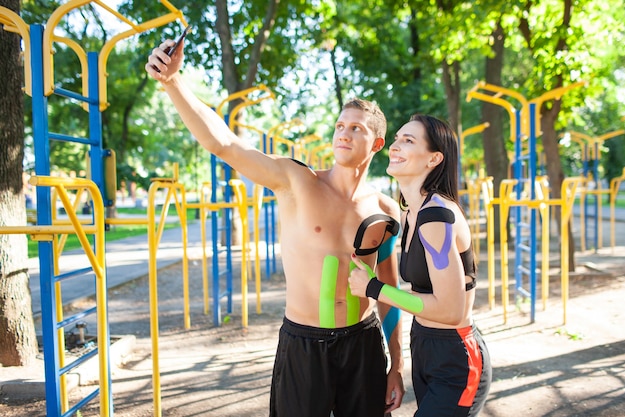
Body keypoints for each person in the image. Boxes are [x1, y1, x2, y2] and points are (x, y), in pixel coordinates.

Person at [145, 37, 405, 416]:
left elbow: (389, 291)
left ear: (377, 143)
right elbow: (225, 145)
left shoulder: (384, 210)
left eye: (357, 129)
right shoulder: (297, 181)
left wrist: (395, 365)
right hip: (304, 341)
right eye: (340, 126)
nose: (344, 134)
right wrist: (173, 82)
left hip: (362, 343)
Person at [349, 114, 492, 416]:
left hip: (455, 356)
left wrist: (374, 288)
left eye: (408, 141)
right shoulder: (412, 213)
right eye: (397, 138)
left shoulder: (436, 216)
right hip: (425, 345)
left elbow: (451, 310)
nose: (395, 146)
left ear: (434, 158)